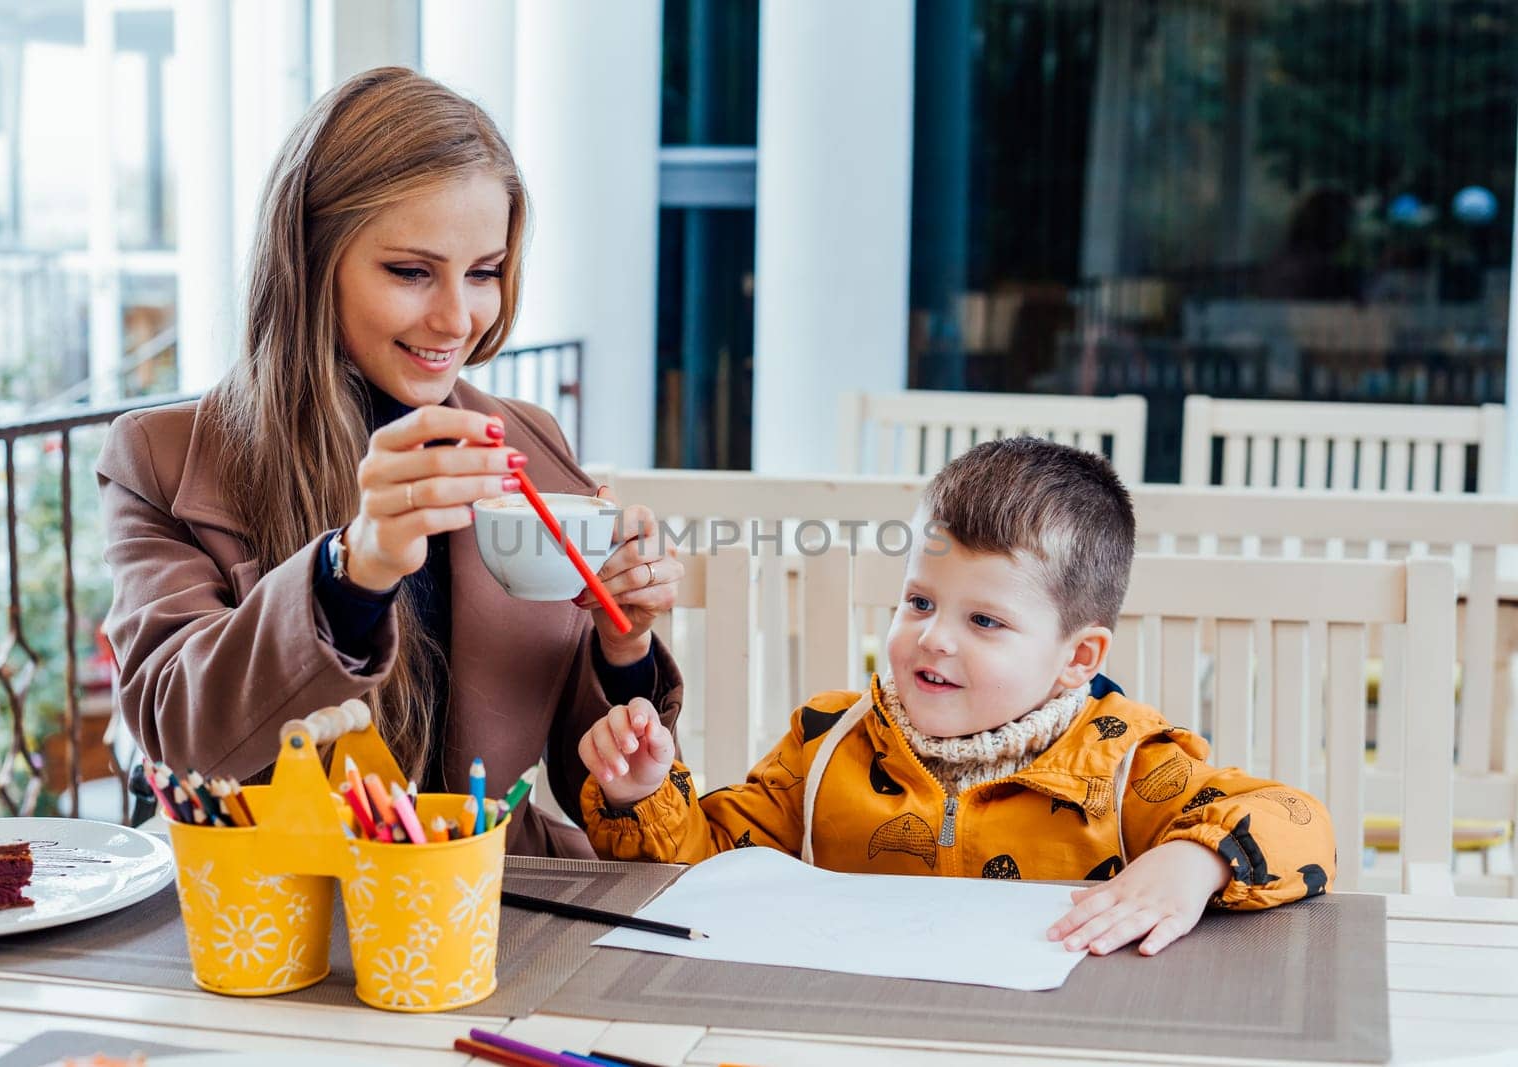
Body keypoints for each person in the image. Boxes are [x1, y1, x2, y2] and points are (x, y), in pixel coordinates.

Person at [97, 67, 684, 857]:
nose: (456, 319)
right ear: (311, 257)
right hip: (286, 915)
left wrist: (623, 651)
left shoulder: (528, 447)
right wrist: (351, 571)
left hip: (497, 908)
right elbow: (183, 738)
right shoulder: (164, 460)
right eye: (411, 271)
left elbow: (590, 786)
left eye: (483, 273)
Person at [578, 438, 1335, 956]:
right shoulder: (825, 743)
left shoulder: (1128, 763)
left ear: (1078, 658)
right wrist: (642, 795)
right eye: (918, 602)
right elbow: (702, 873)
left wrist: (1198, 862)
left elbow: (1303, 825)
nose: (935, 638)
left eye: (984, 620)